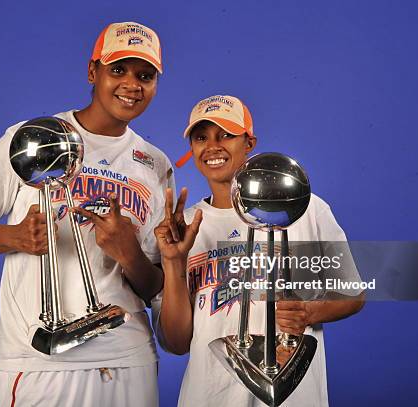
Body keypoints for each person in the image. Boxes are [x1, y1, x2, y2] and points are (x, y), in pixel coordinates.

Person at [0, 22, 173, 407]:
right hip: (42, 361)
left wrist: (128, 252)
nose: (132, 84)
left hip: (129, 357)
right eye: (118, 69)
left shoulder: (155, 163)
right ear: (92, 71)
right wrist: (13, 236)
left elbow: (154, 287)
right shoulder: (33, 136)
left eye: (145, 75)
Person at [153, 95, 365, 406]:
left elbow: (354, 294)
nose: (212, 146)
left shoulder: (305, 208)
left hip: (291, 394)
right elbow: (176, 342)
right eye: (201, 137)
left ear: (249, 142)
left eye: (225, 134)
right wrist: (173, 262)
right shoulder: (183, 225)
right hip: (211, 393)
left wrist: (309, 312)